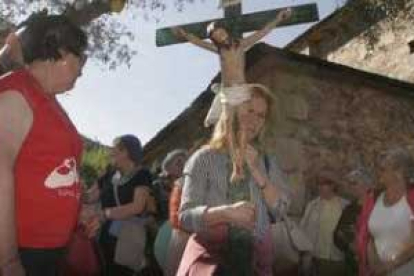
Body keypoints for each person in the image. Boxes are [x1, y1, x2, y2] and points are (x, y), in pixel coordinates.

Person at [0, 14, 88, 276]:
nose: (82, 69)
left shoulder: (48, 100)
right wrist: (6, 261)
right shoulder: (16, 91)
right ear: (61, 51)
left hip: (51, 251)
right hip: (21, 253)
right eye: (79, 58)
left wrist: (78, 212)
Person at [177, 84, 291, 276]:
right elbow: (185, 217)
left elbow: (281, 210)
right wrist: (225, 213)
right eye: (249, 111)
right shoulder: (204, 157)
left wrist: (257, 171)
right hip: (211, 265)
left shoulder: (268, 161)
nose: (254, 120)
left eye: (261, 115)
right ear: (232, 112)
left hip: (257, 265)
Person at [98, 135, 157, 276]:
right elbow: (89, 196)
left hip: (127, 237)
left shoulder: (142, 174)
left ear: (126, 152)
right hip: (106, 236)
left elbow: (137, 206)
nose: (111, 152)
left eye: (114, 149)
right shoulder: (110, 175)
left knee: (124, 270)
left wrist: (106, 213)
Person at [357, 147, 414, 276]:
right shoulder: (374, 198)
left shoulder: (412, 199)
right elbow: (368, 235)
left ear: (399, 172)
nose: (378, 172)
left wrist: (390, 265)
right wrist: (374, 264)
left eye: (383, 169)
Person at [300, 171, 348, 276]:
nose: (320, 187)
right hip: (315, 257)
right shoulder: (312, 206)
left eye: (324, 184)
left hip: (336, 257)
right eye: (319, 184)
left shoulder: (344, 206)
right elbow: (302, 229)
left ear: (333, 185)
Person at [333, 168, 373, 276]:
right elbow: (336, 235)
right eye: (349, 183)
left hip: (372, 263)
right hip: (351, 263)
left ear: (367, 185)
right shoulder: (349, 209)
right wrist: (349, 245)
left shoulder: (376, 207)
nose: (351, 187)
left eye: (354, 183)